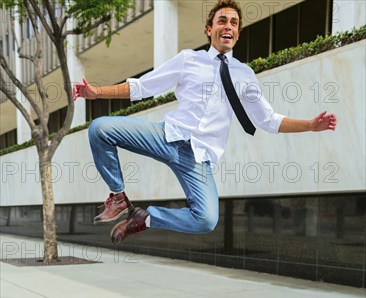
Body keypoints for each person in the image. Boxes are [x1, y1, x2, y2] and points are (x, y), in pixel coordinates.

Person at [73, 0, 337, 244]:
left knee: (206, 219)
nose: (228, 27)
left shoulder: (244, 75)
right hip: (167, 136)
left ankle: (145, 218)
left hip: (198, 159)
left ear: (237, 33)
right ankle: (118, 197)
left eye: (234, 23)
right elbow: (143, 87)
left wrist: (310, 125)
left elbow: (268, 120)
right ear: (209, 29)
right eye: (223, 21)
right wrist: (98, 93)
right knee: (100, 129)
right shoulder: (189, 59)